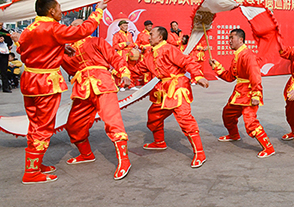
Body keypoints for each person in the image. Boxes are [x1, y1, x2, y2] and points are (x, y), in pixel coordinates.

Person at [13, 0, 106, 184]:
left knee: (35, 124)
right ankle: (31, 173)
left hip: (29, 81)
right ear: (51, 11)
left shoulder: (29, 29)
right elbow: (82, 30)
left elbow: (26, 51)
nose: (61, 11)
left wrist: (61, 49)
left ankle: (35, 164)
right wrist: (98, 11)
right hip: (45, 84)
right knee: (44, 126)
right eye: (59, 8)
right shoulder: (53, 28)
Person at [61, 19, 132, 180]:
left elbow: (114, 57)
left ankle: (124, 160)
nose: (75, 27)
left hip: (103, 83)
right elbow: (47, 59)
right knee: (73, 124)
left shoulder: (96, 41)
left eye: (79, 24)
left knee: (112, 121)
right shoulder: (66, 50)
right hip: (82, 89)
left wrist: (125, 73)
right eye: (73, 25)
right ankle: (86, 154)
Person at [133, 26, 209, 168]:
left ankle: (200, 153)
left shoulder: (169, 49)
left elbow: (186, 61)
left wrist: (198, 76)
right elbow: (136, 70)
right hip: (162, 91)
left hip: (177, 87)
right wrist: (121, 72)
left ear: (160, 37)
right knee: (153, 116)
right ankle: (159, 142)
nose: (148, 37)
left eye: (151, 34)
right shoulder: (149, 55)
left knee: (185, 120)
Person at [209, 29, 275, 158]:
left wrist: (256, 94)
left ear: (240, 40)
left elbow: (255, 75)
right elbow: (229, 77)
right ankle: (234, 135)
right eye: (229, 38)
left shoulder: (247, 55)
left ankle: (268, 147)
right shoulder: (237, 56)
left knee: (250, 121)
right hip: (239, 92)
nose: (229, 41)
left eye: (232, 38)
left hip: (249, 92)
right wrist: (217, 66)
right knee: (227, 114)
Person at [0, 23, 14, 93]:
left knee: (4, 71)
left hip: (3, 54)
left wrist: (4, 40)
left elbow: (10, 42)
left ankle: (5, 87)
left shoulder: (5, 32)